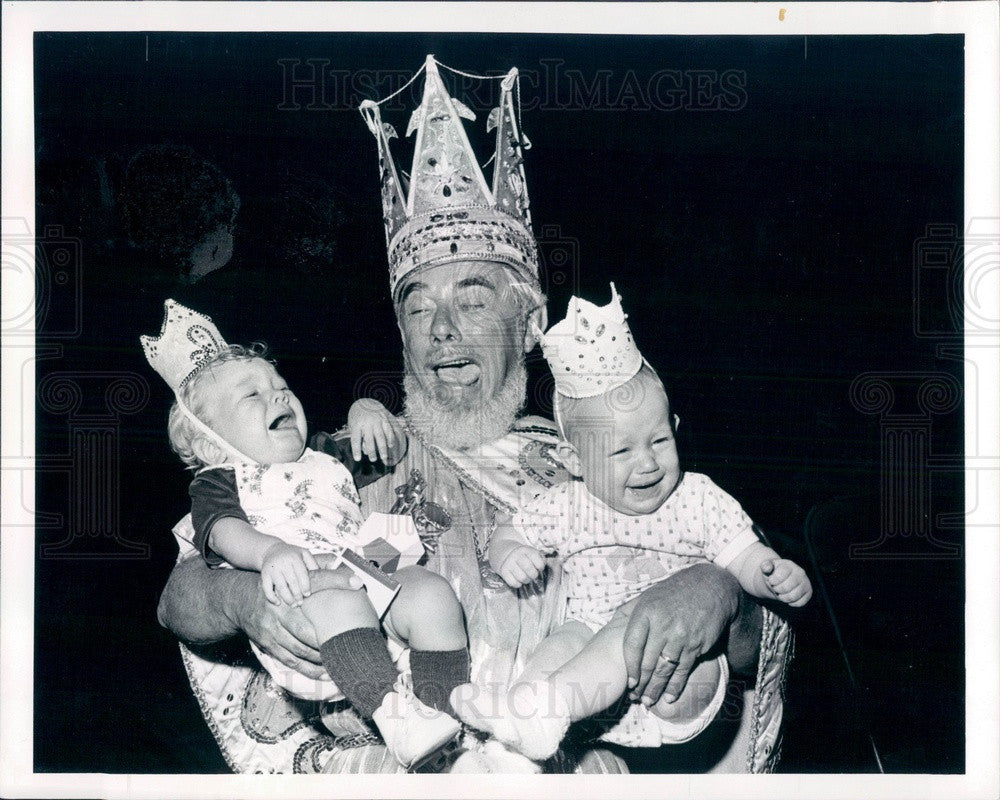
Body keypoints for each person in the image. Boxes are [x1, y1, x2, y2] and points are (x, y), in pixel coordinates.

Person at [156, 55, 790, 774]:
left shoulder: (606, 458)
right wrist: (247, 596)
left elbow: (751, 638)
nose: (442, 331)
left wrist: (717, 592)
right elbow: (182, 595)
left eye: (475, 302)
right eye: (419, 309)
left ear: (528, 324)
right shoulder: (337, 459)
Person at [452, 286, 812, 761]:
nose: (647, 464)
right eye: (621, 451)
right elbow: (511, 532)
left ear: (677, 429)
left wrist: (771, 573)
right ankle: (513, 746)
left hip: (672, 660)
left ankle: (546, 711)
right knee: (552, 653)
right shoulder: (568, 503)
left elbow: (741, 554)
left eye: (659, 441)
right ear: (573, 460)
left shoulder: (698, 497)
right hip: (587, 640)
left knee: (630, 622)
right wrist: (511, 554)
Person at [141, 300, 470, 770]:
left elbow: (384, 450)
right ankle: (395, 717)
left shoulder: (322, 454)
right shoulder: (220, 479)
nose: (278, 396)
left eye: (280, 386)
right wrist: (269, 552)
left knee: (432, 594)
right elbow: (218, 530)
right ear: (210, 443)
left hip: (361, 569)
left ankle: (446, 718)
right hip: (303, 595)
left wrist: (366, 409)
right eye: (251, 396)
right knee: (338, 596)